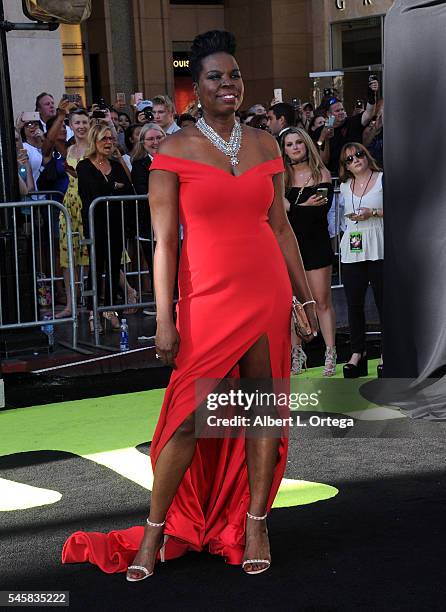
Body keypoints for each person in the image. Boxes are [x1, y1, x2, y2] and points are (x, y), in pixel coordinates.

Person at [62, 29, 317, 578]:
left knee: (259, 411)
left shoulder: (265, 144)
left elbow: (281, 228)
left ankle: (254, 521)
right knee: (184, 421)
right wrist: (163, 316)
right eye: (214, 77)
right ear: (195, 87)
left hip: (266, 291)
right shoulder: (173, 150)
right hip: (205, 300)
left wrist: (304, 297)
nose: (228, 85)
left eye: (234, 75)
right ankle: (154, 532)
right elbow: (165, 243)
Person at [281, 127, 337, 376]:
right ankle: (296, 356)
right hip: (289, 247)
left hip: (316, 245)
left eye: (298, 143)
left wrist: (290, 206)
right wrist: (300, 206)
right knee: (293, 305)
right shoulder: (280, 178)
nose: (294, 147)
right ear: (284, 150)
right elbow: (274, 214)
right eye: (289, 144)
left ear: (306, 145)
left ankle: (331, 353)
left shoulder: (321, 173)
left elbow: (317, 215)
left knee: (321, 301)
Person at [76, 124, 134, 332]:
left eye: (111, 138)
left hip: (116, 224)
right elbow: (93, 191)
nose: (109, 142)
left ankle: (110, 309)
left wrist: (118, 166)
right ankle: (94, 312)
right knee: (95, 268)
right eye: (104, 139)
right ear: (95, 141)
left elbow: (128, 188)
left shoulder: (116, 165)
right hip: (95, 224)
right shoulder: (84, 166)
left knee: (112, 267)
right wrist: (113, 187)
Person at [338, 142, 383, 378]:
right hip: (353, 247)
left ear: (367, 156)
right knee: (353, 304)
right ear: (345, 166)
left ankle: (389, 352)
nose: (355, 159)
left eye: (359, 154)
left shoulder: (384, 179)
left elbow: (402, 208)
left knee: (384, 303)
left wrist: (373, 213)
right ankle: (358, 353)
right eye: (349, 159)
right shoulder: (345, 186)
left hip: (380, 243)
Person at [131, 123, 167, 296]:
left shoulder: (176, 160)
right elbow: (143, 190)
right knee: (156, 266)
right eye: (150, 139)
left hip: (176, 223)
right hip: (150, 224)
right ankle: (159, 305)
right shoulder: (139, 165)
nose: (155, 142)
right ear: (143, 143)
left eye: (159, 137)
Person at [324, 76, 379, 176]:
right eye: (337, 111)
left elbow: (369, 114)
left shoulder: (353, 122)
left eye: (342, 109)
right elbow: (323, 158)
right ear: (328, 114)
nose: (341, 112)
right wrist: (324, 139)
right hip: (336, 176)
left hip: (358, 173)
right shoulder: (323, 130)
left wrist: (371, 95)